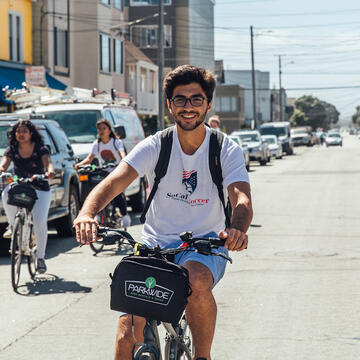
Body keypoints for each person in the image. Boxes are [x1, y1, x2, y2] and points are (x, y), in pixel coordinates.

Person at [74, 65, 253, 360]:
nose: (188, 107)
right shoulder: (157, 146)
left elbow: (241, 198)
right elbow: (113, 182)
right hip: (154, 246)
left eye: (196, 99)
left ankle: (202, 356)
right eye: (180, 99)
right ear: (169, 105)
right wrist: (86, 213)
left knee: (195, 278)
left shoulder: (225, 149)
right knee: (125, 336)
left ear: (208, 104)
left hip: (205, 246)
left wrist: (237, 228)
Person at [0, 119, 55, 273]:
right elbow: (4, 164)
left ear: (31, 133)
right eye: (18, 131)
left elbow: (47, 162)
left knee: (39, 222)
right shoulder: (12, 149)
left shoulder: (40, 148)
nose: (21, 134)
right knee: (6, 192)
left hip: (40, 189)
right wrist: (1, 169)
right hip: (21, 186)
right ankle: (12, 226)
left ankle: (41, 258)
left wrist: (49, 171)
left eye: (24, 131)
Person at [74, 118, 131, 228]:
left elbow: (122, 154)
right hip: (103, 173)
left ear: (109, 130)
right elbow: (90, 158)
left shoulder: (116, 142)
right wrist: (79, 165)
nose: (101, 131)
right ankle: (99, 214)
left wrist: (124, 161)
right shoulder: (97, 144)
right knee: (97, 191)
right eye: (99, 129)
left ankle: (124, 215)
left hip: (116, 172)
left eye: (104, 128)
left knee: (117, 192)